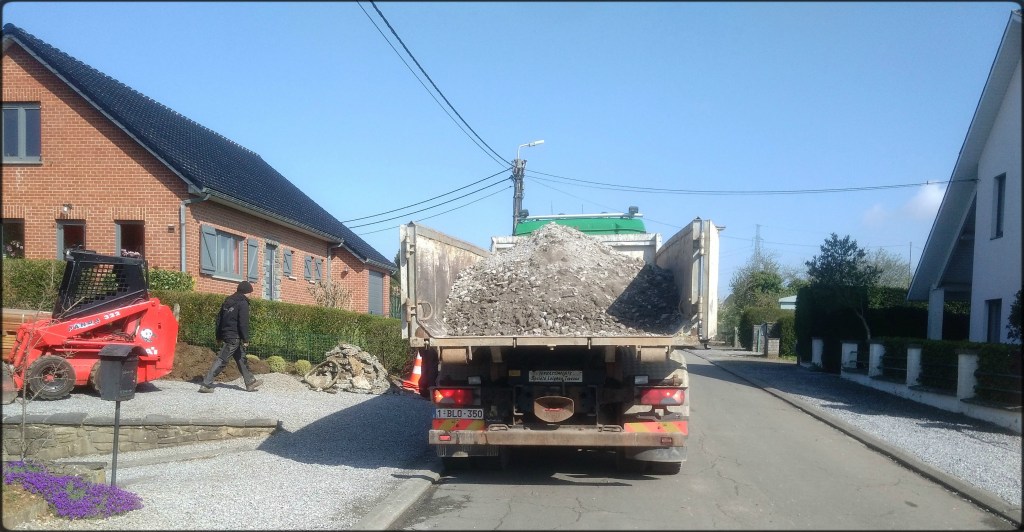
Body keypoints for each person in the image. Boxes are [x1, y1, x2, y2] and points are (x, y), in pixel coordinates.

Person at [199, 281, 263, 393]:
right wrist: (246, 338)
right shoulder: (243, 303)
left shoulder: (228, 301)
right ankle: (206, 384)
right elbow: (243, 323)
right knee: (222, 359)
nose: (250, 295)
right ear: (246, 292)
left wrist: (219, 336)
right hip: (234, 336)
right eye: (250, 293)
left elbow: (219, 319)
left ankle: (250, 382)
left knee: (241, 358)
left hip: (227, 334)